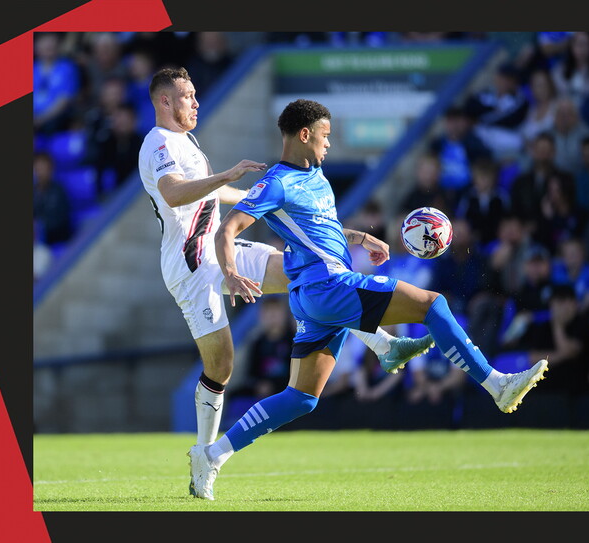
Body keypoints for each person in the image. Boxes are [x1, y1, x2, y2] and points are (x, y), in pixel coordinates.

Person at [198, 98, 550, 500]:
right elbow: (228, 230)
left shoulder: (317, 177)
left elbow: (321, 230)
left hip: (314, 298)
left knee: (301, 398)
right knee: (432, 304)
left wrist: (360, 236)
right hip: (328, 287)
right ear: (305, 134)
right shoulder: (276, 182)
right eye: (326, 136)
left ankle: (212, 454)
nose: (329, 144)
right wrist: (230, 272)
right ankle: (496, 384)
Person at [137, 70, 434, 497]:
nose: (196, 103)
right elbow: (173, 193)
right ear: (164, 102)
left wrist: (264, 200)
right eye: (187, 96)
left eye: (196, 95)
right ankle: (203, 456)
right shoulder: (158, 143)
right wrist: (226, 175)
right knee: (221, 365)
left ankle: (382, 343)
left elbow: (217, 199)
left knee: (304, 267)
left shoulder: (186, 143)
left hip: (221, 250)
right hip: (189, 265)